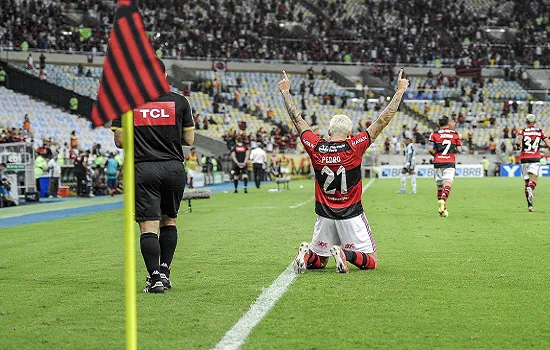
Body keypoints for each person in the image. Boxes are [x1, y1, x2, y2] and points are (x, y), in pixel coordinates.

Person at [278, 69, 409, 274]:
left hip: (324, 214)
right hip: (351, 214)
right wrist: (400, 91)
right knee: (372, 260)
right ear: (349, 134)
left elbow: (298, 120)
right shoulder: (354, 145)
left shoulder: (316, 146)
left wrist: (285, 91)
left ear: (329, 132)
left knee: (319, 261)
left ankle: (306, 253)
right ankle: (344, 254)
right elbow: (382, 121)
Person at [111, 58, 195, 293]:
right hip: (173, 168)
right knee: (169, 220)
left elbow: (119, 140)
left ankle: (155, 277)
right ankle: (166, 271)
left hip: (143, 168)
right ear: (164, 77)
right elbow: (189, 139)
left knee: (148, 226)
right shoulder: (180, 101)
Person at [428, 115, 462, 217]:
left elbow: (430, 149)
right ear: (448, 123)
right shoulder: (455, 134)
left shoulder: (434, 134)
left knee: (439, 186)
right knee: (447, 184)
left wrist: (437, 155)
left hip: (438, 162)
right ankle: (443, 200)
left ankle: (443, 210)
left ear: (439, 123)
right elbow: (459, 149)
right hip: (449, 162)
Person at [514, 114, 550, 212]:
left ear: (526, 122)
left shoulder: (523, 131)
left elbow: (517, 142)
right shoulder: (539, 132)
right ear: (534, 122)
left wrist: (518, 146)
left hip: (524, 159)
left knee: (526, 182)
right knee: (533, 180)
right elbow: (548, 143)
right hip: (535, 158)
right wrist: (540, 146)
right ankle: (531, 188)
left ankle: (530, 206)